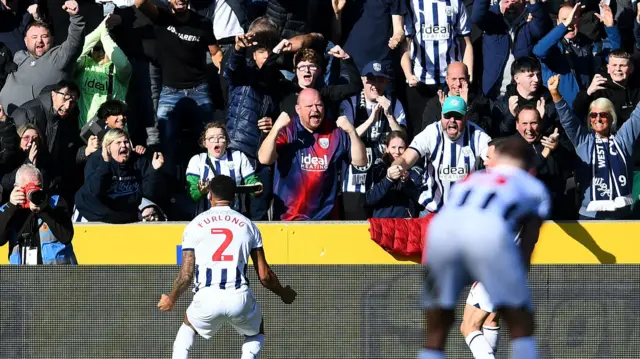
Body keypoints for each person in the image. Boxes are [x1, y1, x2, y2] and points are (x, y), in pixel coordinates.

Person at [419, 136, 550, 359]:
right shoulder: (534, 188)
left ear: (498, 159)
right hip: (489, 242)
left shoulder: (473, 179)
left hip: (440, 236)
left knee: (439, 332)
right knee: (509, 326)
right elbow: (529, 241)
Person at [156, 175, 297, 359]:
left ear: (209, 196)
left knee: (188, 328)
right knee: (255, 332)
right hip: (239, 297)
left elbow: (186, 274)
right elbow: (265, 276)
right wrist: (282, 293)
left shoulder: (195, 225)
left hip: (207, 297)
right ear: (234, 197)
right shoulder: (248, 225)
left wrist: (171, 298)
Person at [258, 88, 367, 220]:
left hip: (326, 219)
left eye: (319, 105)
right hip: (289, 219)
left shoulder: (334, 131)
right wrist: (275, 128)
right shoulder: (288, 130)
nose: (315, 110)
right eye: (309, 106)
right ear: (298, 109)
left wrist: (352, 132)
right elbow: (264, 159)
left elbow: (360, 161)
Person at [549, 74, 640, 220]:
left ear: (611, 117)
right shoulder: (583, 140)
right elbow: (567, 119)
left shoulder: (623, 139)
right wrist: (555, 94)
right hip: (590, 216)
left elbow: (638, 116)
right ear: (589, 119)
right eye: (593, 115)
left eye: (603, 114)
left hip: (621, 215)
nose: (598, 119)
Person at [393, 96, 491, 215]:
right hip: (433, 209)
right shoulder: (431, 133)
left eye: (458, 116)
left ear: (466, 117)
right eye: (448, 115)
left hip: (467, 212)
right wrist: (397, 167)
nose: (452, 120)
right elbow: (406, 157)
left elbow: (494, 158)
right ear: (441, 115)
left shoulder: (477, 135)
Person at [0, 1, 85, 115]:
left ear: (52, 38)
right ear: (25, 41)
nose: (39, 40)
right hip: (5, 123)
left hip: (35, 127)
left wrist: (76, 17)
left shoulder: (59, 57)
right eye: (34, 37)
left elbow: (75, 41)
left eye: (44, 36)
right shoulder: (19, 57)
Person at [73, 128, 165, 223]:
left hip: (124, 216)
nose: (123, 145)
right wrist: (106, 163)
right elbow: (95, 190)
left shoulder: (138, 161)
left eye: (126, 142)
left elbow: (149, 194)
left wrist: (154, 170)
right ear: (107, 147)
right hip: (91, 214)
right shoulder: (96, 159)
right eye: (118, 142)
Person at [0, 164, 76, 265]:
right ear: (17, 188)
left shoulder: (55, 203)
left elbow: (66, 236)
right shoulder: (9, 209)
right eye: (27, 188)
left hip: (56, 276)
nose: (33, 192)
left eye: (38, 187)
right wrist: (11, 207)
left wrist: (44, 209)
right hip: (23, 277)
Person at [186, 122, 262, 216]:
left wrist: (257, 188)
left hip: (234, 215)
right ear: (205, 143)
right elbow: (192, 194)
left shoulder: (239, 157)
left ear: (227, 142)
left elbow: (252, 182)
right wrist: (201, 191)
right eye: (211, 138)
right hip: (206, 217)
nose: (216, 141)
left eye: (221, 137)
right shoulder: (197, 160)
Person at [365, 131, 423, 218]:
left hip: (405, 223)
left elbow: (420, 199)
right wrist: (388, 179)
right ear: (387, 148)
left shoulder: (415, 170)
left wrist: (406, 182)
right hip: (381, 223)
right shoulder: (377, 168)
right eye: (393, 147)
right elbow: (370, 199)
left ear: (407, 149)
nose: (397, 152)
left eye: (401, 148)